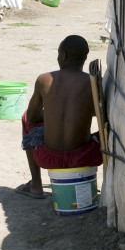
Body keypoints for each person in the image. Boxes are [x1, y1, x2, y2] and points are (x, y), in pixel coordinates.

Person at [16, 35, 103, 199]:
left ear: (63, 55)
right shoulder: (93, 83)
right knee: (110, 130)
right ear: (85, 58)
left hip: (47, 157)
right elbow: (100, 116)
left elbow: (33, 116)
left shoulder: (44, 80)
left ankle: (35, 184)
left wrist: (50, 113)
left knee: (26, 117)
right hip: (84, 158)